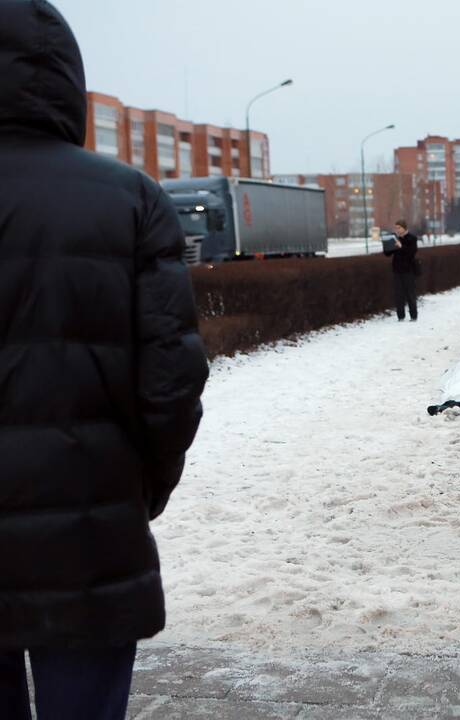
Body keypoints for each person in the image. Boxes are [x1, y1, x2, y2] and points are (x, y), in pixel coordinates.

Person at [0, 2, 209, 717]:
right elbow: (172, 381)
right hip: (90, 529)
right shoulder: (130, 199)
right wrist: (141, 487)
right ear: (64, 80)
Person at [384, 219, 419, 321]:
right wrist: (387, 245)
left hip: (408, 270)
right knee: (398, 295)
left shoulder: (412, 238)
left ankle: (413, 316)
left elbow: (411, 253)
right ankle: (401, 316)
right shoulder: (395, 239)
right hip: (397, 270)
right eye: (396, 228)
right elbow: (387, 254)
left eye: (399, 228)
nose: (397, 230)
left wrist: (401, 246)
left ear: (404, 228)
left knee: (410, 294)